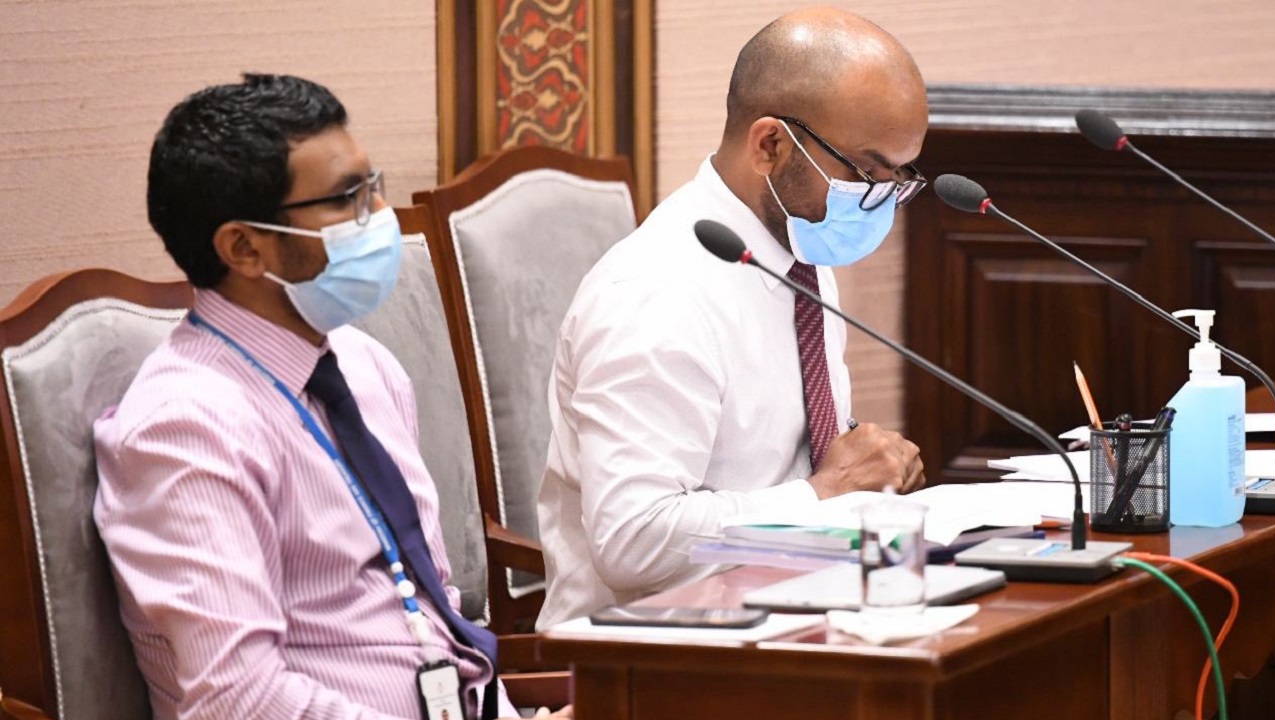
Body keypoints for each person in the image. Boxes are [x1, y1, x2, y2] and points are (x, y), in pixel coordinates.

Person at [94, 74, 569, 720]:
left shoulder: (364, 366)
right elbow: (239, 699)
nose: (379, 216)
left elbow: (436, 610)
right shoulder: (185, 428)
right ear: (243, 247)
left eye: (371, 187)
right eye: (348, 200)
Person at [537, 8, 931, 629]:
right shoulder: (656, 294)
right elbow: (633, 541)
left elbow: (796, 462)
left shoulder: (797, 254)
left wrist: (864, 476)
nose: (882, 201)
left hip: (794, 608)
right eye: (867, 174)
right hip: (649, 647)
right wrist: (824, 494)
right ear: (771, 145)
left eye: (900, 178)